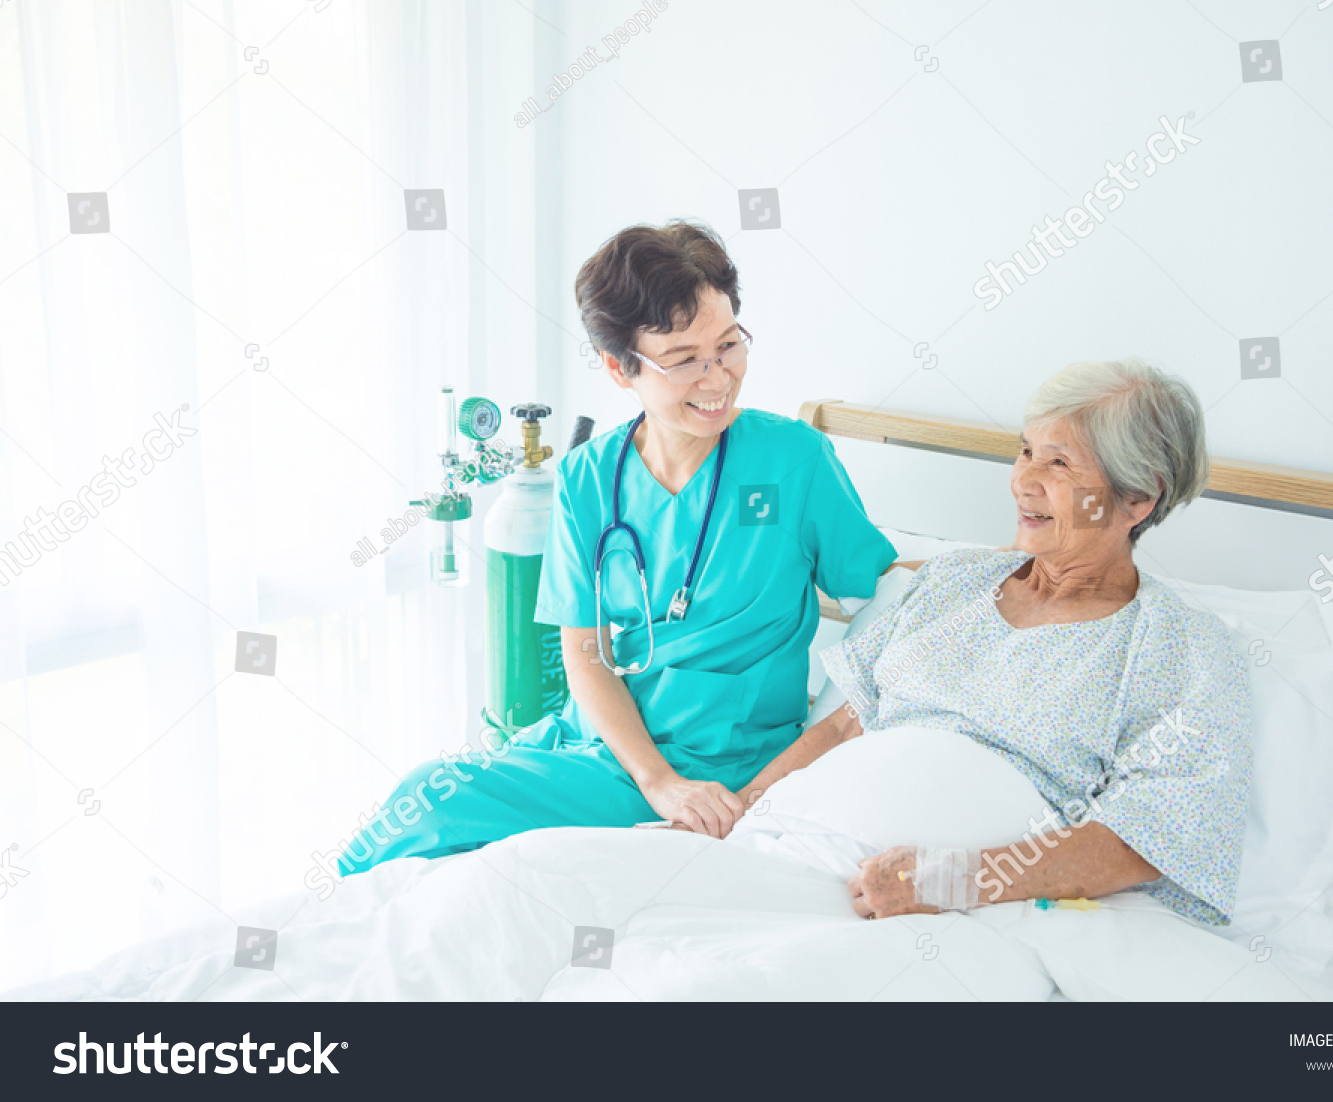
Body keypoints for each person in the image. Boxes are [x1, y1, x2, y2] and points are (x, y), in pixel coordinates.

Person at [337, 220, 895, 874]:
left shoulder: (794, 460)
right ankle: (315, 933)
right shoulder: (586, 478)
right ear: (617, 367)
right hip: (604, 748)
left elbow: (885, 590)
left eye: (729, 345)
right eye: (684, 359)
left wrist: (998, 577)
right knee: (429, 794)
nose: (717, 378)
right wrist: (657, 781)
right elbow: (584, 653)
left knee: (438, 807)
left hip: (721, 763)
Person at [741, 358, 1253, 926]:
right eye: (1026, 450)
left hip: (944, 913)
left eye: (1058, 463)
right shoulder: (952, 581)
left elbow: (1149, 839)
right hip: (787, 845)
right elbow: (845, 724)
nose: (1023, 481)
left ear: (1137, 498)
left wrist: (951, 880)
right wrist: (739, 808)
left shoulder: (1182, 651)